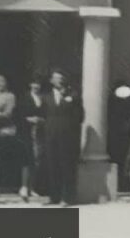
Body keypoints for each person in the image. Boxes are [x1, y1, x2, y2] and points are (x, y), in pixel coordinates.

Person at [43, 68, 83, 206]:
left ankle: (67, 197)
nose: (59, 80)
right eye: (56, 77)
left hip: (67, 136)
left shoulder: (74, 95)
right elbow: (43, 115)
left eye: (61, 77)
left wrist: (71, 129)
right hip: (50, 135)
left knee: (66, 165)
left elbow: (80, 116)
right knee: (52, 165)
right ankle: (53, 196)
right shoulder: (46, 97)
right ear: (51, 81)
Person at [18, 73, 47, 201]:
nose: (36, 86)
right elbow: (19, 115)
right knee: (27, 158)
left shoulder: (43, 98)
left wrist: (40, 119)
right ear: (30, 85)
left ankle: (33, 187)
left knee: (37, 160)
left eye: (38, 84)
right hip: (27, 131)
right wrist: (29, 119)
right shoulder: (24, 98)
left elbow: (46, 114)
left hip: (40, 131)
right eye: (34, 83)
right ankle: (24, 186)